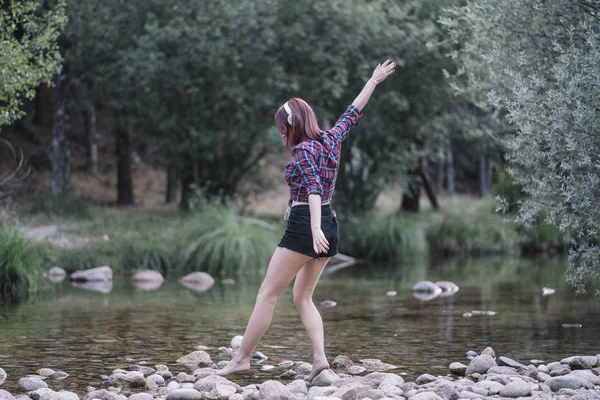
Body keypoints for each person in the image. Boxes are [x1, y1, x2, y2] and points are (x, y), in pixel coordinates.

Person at [216, 60, 396, 380]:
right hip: (330, 222)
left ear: (290, 127)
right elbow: (351, 114)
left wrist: (312, 229)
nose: (281, 134)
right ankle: (319, 360)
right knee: (303, 296)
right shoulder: (331, 138)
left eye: (281, 129)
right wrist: (372, 81)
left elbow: (312, 187)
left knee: (267, 294)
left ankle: (241, 358)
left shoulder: (302, 150)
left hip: (306, 225)